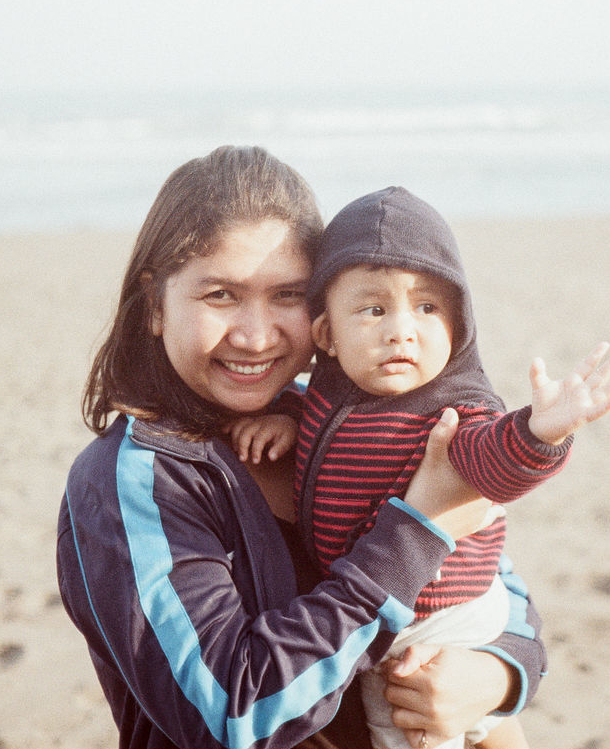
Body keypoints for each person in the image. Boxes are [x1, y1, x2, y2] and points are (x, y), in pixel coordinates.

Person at [55, 148, 548, 749]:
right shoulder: (134, 479)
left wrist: (494, 676)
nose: (257, 335)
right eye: (220, 295)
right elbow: (234, 713)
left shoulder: (355, 420)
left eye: (287, 296)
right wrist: (415, 530)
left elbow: (499, 590)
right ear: (156, 304)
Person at [229, 187, 610, 749]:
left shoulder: (451, 415)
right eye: (374, 309)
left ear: (458, 322)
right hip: (396, 604)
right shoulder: (330, 393)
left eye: (427, 307)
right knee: (486, 728)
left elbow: (493, 461)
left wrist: (543, 431)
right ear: (326, 335)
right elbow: (328, 425)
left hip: (437, 616)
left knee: (411, 728)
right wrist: (288, 419)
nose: (402, 329)